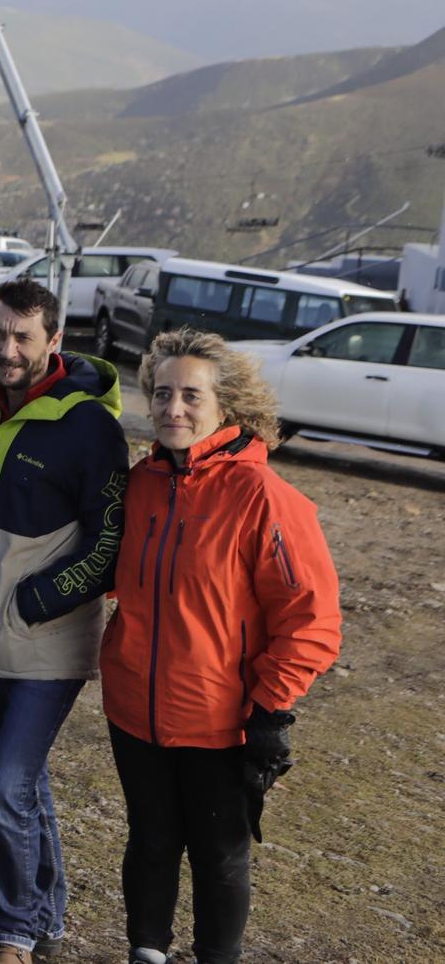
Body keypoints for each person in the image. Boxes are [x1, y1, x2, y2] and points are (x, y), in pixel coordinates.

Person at [101, 329, 341, 964]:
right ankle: (146, 952)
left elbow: (311, 618)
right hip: (135, 712)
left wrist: (272, 712)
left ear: (227, 405)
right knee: (150, 842)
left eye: (190, 395)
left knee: (218, 859)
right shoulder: (142, 484)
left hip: (221, 724)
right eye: (161, 393)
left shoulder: (264, 497)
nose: (172, 408)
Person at [0, 277, 129, 964]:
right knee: (23, 780)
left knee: (6, 785)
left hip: (48, 640)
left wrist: (35, 601)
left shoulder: (89, 426)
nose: (7, 348)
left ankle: (14, 931)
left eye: (23, 335)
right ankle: (44, 915)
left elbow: (108, 541)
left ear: (54, 340)